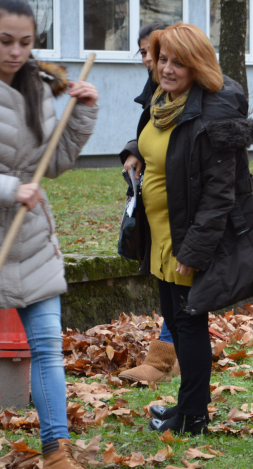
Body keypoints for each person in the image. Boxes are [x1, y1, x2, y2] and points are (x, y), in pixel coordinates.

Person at [121, 22, 253, 435]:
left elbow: (219, 196)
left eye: (178, 63)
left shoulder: (213, 115)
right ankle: (188, 407)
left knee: (189, 323)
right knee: (174, 314)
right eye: (162, 59)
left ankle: (194, 416)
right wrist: (134, 152)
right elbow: (154, 139)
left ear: (197, 65)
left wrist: (194, 252)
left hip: (188, 237)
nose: (166, 69)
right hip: (160, 232)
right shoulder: (163, 100)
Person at [0, 0, 99, 467]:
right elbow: (19, 181)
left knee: (46, 346)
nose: (16, 52)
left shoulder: (37, 87)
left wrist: (81, 113)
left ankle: (56, 450)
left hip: (32, 241)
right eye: (4, 42)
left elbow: (52, 164)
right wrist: (10, 189)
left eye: (25, 42)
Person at [117, 21, 179, 384]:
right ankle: (181, 354)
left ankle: (162, 360)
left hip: (181, 207)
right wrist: (131, 153)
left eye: (152, 52)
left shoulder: (183, 90)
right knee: (164, 276)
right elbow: (146, 133)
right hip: (155, 203)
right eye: (144, 53)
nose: (149, 60)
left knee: (177, 282)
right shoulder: (155, 89)